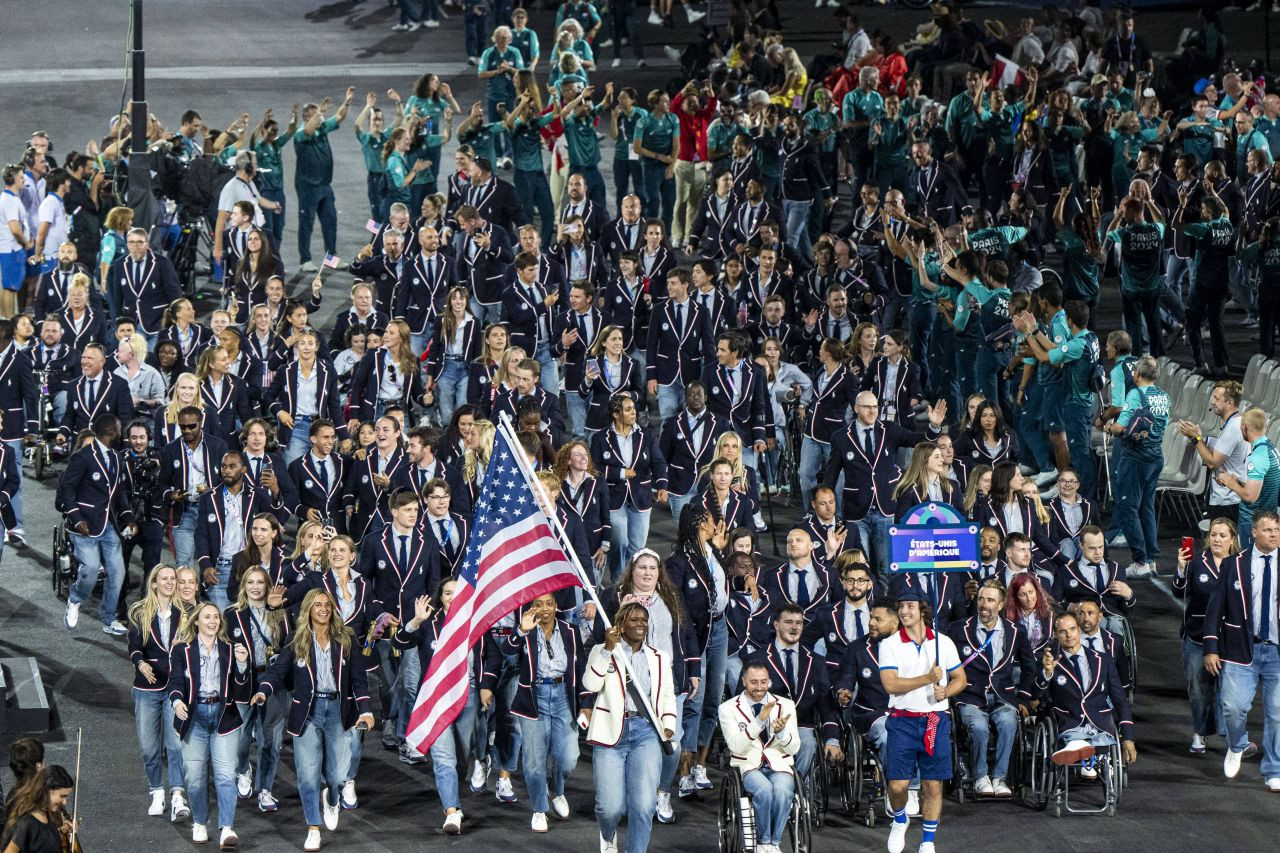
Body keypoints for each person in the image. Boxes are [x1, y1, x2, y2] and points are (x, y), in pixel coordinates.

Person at [251, 588, 374, 851]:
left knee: (338, 776)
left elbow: (359, 681)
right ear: (308, 608)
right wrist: (263, 690)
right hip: (307, 713)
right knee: (307, 776)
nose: (323, 609)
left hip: (339, 712)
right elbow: (278, 670)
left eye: (327, 605)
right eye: (317, 604)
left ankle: (332, 796)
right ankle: (313, 827)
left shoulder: (346, 639)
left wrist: (365, 710)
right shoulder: (297, 640)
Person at [584, 603, 677, 853]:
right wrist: (607, 649)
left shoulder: (659, 657)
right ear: (621, 624)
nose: (640, 625)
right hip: (610, 733)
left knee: (644, 806)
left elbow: (667, 694)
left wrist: (667, 724)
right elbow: (591, 684)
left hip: (646, 732)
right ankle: (607, 833)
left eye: (644, 620)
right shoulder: (602, 651)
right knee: (609, 807)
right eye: (634, 620)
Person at [878, 589, 965, 853]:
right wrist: (927, 679)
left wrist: (945, 691)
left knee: (932, 784)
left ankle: (928, 841)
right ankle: (900, 818)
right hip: (902, 720)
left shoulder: (944, 642)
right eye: (901, 606)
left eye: (910, 606)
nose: (904, 611)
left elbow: (960, 678)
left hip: (934, 720)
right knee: (897, 784)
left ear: (922, 610)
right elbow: (890, 684)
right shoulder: (889, 644)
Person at [1204, 509, 1280, 788]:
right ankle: (1237, 745)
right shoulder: (1234, 564)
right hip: (1239, 650)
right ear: (1254, 533)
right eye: (1268, 530)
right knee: (1233, 707)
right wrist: (1211, 647)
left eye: (1277, 529)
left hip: (1277, 653)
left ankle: (1273, 770)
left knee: (1277, 712)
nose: (1273, 534)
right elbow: (1215, 608)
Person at [497, 592, 585, 833]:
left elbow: (580, 668)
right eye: (539, 604)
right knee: (535, 762)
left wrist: (585, 705)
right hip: (533, 699)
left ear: (556, 606)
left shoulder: (571, 631)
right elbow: (506, 651)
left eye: (549, 603)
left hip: (563, 698)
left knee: (567, 757)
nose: (545, 608)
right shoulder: (525, 631)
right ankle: (539, 808)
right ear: (531, 608)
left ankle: (557, 790)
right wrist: (520, 631)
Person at [167, 602, 252, 848]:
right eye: (207, 617)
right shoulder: (183, 650)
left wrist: (243, 665)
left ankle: (227, 827)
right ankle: (200, 822)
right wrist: (176, 702)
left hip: (224, 717)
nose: (213, 621)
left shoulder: (230, 649)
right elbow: (174, 682)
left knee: (226, 776)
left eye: (216, 617)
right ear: (196, 621)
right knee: (194, 778)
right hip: (194, 717)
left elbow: (241, 688)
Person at [946, 581, 1034, 799]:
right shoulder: (958, 629)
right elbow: (945, 664)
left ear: (1001, 605)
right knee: (978, 727)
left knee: (1008, 722)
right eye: (981, 599)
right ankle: (981, 777)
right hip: (969, 695)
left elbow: (1030, 665)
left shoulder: (1016, 631)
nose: (984, 604)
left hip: (1003, 695)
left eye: (991, 600)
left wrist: (1023, 697)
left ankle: (1000, 778)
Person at [54, 413, 136, 635]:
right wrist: (76, 517)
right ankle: (75, 598)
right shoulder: (82, 457)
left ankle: (108, 618)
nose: (123, 435)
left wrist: (128, 516)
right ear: (110, 432)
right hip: (84, 526)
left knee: (117, 571)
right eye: (120, 430)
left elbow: (118, 493)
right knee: (90, 569)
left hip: (108, 525)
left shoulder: (117, 457)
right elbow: (66, 490)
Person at [1037, 610, 1138, 771]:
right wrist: (1047, 673)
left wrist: (1128, 738)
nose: (1069, 635)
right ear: (1056, 635)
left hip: (1100, 723)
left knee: (1100, 742)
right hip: (1068, 722)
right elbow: (1037, 696)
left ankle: (1086, 755)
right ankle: (1085, 756)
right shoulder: (1050, 661)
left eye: (1072, 629)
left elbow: (1120, 700)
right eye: (1063, 632)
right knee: (1075, 739)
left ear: (1079, 630)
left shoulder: (1103, 660)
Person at [127, 564, 189, 822]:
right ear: (154, 583)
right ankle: (156, 791)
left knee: (175, 744)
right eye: (164, 578)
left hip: (174, 687)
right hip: (147, 689)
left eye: (172, 578)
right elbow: (134, 644)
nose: (170, 582)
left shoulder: (185, 613)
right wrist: (140, 663)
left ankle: (177, 793)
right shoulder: (141, 612)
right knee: (149, 746)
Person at [718, 660, 800, 853]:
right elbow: (736, 746)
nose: (759, 687)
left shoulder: (786, 705)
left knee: (782, 792)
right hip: (749, 765)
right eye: (754, 682)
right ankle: (763, 842)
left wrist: (781, 734)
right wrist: (759, 720)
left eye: (763, 682)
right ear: (744, 681)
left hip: (778, 763)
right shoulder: (728, 708)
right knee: (764, 790)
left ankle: (773, 844)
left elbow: (794, 748)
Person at [1103, 355, 1169, 577]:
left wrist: (1110, 428)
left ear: (1137, 374)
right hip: (1155, 457)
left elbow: (1121, 427)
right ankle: (1151, 560)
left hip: (1136, 458)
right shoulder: (1164, 396)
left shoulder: (1135, 394)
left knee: (1128, 507)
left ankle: (1140, 561)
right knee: (1146, 507)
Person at [1175, 517, 1236, 755]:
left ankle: (1233, 736)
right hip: (1197, 637)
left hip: (1230, 639)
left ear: (1232, 539)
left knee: (1230, 693)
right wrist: (1181, 568)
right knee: (1199, 691)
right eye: (1213, 535)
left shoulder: (1240, 564)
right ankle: (1200, 732)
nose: (1217, 539)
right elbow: (1179, 591)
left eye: (1222, 535)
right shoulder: (1196, 563)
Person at [293, 88, 356, 273]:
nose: (320, 119)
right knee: (307, 223)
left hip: (324, 185)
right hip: (308, 186)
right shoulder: (301, 134)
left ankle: (331, 257)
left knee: (330, 221)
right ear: (306, 117)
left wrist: (347, 101)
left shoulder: (322, 128)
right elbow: (308, 129)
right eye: (316, 116)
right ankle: (305, 260)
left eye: (320, 117)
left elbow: (339, 117)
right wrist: (319, 113)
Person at [1178, 380, 1247, 529]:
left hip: (1227, 501)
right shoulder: (1235, 423)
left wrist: (1195, 438)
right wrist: (1200, 439)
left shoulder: (1233, 428)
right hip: (1228, 498)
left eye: (1216, 398)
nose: (1212, 401)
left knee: (1223, 548)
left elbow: (1212, 462)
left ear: (1229, 402)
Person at [1213, 408, 1280, 549]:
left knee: (1249, 566)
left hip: (1254, 523)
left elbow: (1250, 496)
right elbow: (1263, 485)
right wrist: (1237, 482)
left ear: (1244, 427)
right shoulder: (1271, 448)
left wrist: (1232, 484)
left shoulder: (1257, 457)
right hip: (1268, 519)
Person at [0, 765, 78, 853]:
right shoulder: (26, 823)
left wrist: (62, 832)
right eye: (62, 796)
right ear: (46, 791)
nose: (64, 802)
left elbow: (44, 843)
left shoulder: (49, 815)